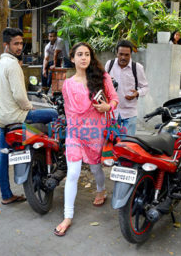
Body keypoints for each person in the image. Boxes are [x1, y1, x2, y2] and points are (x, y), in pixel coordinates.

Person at [54, 42, 119, 236]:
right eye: (80, 54)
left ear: (91, 58)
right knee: (73, 174)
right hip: (75, 134)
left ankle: (101, 190)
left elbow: (115, 98)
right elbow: (68, 112)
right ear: (72, 58)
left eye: (87, 54)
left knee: (95, 167)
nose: (84, 58)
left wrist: (108, 107)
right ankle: (67, 216)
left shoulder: (102, 78)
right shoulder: (67, 84)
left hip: (95, 133)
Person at [0, 28, 58, 205]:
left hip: (2, 119)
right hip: (18, 116)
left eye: (21, 43)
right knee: (53, 114)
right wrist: (30, 107)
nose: (19, 47)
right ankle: (52, 154)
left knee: (4, 157)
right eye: (16, 43)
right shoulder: (13, 65)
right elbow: (21, 97)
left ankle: (6, 195)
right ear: (6, 45)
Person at [105, 40, 148, 136]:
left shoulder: (137, 68)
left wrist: (137, 93)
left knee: (127, 146)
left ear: (131, 55)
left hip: (129, 113)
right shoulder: (109, 65)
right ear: (116, 53)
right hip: (112, 113)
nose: (123, 57)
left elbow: (145, 87)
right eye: (121, 54)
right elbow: (102, 84)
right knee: (112, 146)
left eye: (126, 55)